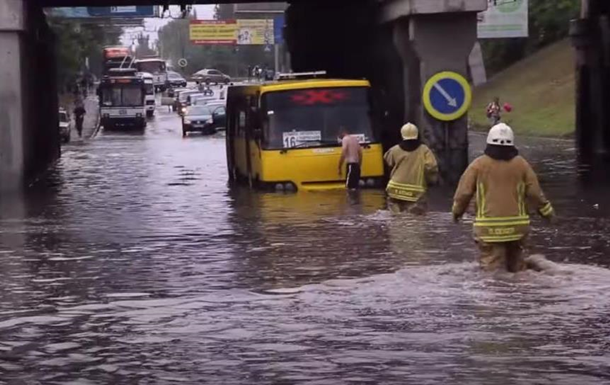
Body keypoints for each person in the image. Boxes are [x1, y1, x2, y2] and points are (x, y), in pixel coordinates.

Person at [452, 123, 555, 273]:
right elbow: (535, 194)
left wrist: (456, 213)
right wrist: (548, 213)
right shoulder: (522, 164)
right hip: (517, 228)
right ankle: (519, 294)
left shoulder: (478, 165)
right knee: (518, 269)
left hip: (488, 229)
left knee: (492, 272)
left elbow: (464, 194)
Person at [383, 123, 439, 214]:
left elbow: (388, 162)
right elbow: (431, 167)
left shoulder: (394, 150)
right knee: (416, 221)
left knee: (395, 220)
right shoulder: (424, 150)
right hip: (415, 191)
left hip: (394, 189)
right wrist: (430, 180)